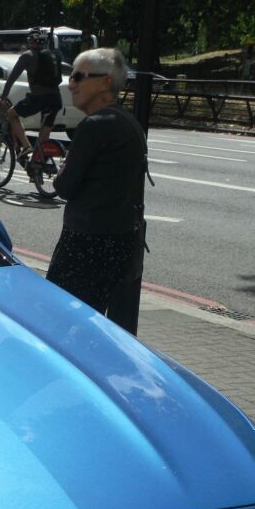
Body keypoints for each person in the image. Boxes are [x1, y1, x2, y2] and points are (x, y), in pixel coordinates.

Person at [45, 48, 148, 335]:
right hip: (120, 242)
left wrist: (64, 168)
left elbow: (64, 186)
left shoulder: (94, 126)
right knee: (98, 327)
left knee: (60, 324)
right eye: (71, 75)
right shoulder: (129, 122)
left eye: (79, 76)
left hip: (85, 245)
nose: (71, 83)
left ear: (105, 83)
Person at [0, 29, 63, 170]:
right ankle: (37, 165)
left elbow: (12, 78)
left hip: (38, 98)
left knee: (12, 114)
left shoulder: (27, 56)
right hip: (56, 99)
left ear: (30, 41)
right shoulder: (54, 56)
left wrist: (3, 98)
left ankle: (26, 146)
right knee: (44, 133)